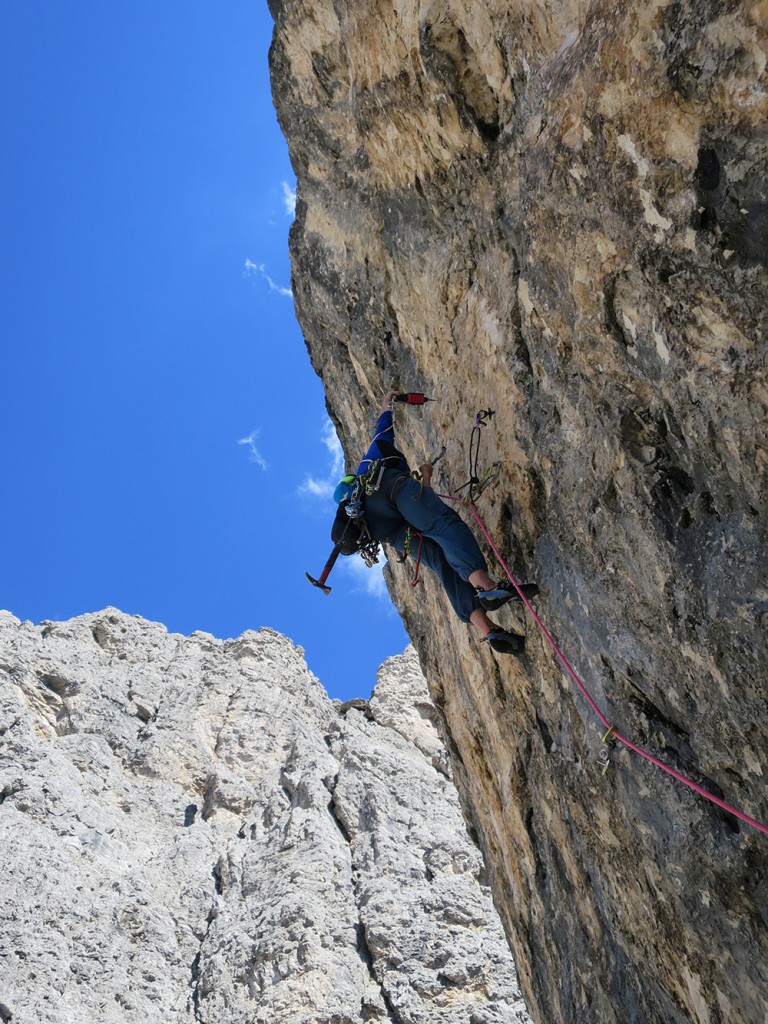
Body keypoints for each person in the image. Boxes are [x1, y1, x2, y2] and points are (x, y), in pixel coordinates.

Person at [333, 389, 538, 654]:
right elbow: (383, 430)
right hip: (391, 492)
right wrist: (386, 405)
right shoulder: (369, 466)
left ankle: (488, 630)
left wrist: (426, 477)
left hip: (391, 533)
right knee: (444, 526)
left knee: (442, 561)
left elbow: (417, 512)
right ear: (352, 482)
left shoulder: (361, 514)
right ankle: (486, 588)